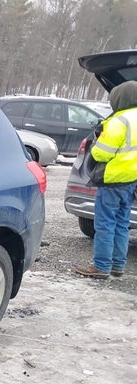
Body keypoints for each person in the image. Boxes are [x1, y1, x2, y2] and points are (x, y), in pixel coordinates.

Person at [75, 80, 137, 279]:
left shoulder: (119, 121)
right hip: (131, 179)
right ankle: (118, 265)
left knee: (104, 224)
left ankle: (101, 266)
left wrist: (96, 145)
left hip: (112, 180)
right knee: (122, 223)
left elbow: (101, 153)